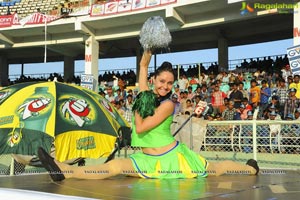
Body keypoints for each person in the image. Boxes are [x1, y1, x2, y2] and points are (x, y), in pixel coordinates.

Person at [37, 50, 259, 181]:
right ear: (154, 80)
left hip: (172, 159)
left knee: (217, 169)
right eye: (162, 81)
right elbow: (143, 71)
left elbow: (141, 128)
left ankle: (250, 168)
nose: (165, 86)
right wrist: (144, 60)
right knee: (114, 167)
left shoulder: (169, 105)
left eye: (170, 83)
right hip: (147, 158)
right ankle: (65, 171)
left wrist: (135, 108)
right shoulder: (146, 93)